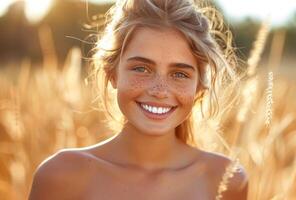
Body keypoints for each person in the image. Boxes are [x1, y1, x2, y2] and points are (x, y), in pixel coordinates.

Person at [28, 0, 248, 199]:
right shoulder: (61, 176)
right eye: (141, 68)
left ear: (199, 86)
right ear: (112, 73)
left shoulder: (227, 180)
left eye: (179, 74)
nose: (159, 91)